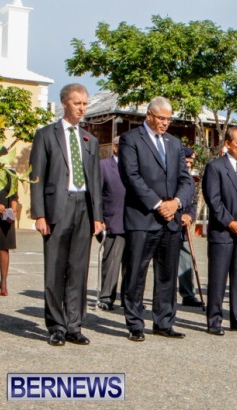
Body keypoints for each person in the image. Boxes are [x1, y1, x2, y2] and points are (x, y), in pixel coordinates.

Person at [29, 83, 102, 346]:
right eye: (77, 103)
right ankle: (56, 326)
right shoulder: (46, 135)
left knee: (78, 269)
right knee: (55, 269)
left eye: (85, 103)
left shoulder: (89, 140)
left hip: (84, 207)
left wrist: (98, 216)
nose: (82, 108)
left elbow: (95, 179)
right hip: (57, 207)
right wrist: (39, 213)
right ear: (64, 103)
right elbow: (36, 176)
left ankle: (74, 324)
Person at [119, 96, 192, 342]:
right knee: (136, 273)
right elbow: (131, 176)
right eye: (161, 118)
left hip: (170, 219)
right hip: (142, 217)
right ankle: (135, 323)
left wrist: (176, 203)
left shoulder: (174, 143)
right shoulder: (131, 140)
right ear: (149, 115)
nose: (165, 123)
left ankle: (163, 321)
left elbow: (186, 179)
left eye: (168, 119)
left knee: (167, 274)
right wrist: (158, 204)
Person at [202, 126, 237, 335]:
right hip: (223, 232)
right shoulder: (215, 167)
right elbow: (214, 201)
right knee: (218, 278)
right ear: (227, 143)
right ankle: (214, 320)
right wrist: (230, 222)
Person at [97, 136, 125, 311]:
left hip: (134, 223)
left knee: (133, 266)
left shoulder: (135, 167)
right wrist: (99, 219)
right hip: (113, 221)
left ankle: (130, 300)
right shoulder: (104, 166)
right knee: (112, 262)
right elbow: (97, 195)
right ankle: (106, 297)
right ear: (115, 148)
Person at [178, 147, 204, 308]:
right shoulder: (170, 174)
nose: (188, 165)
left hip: (184, 226)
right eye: (186, 161)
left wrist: (190, 215)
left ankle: (188, 294)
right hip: (168, 223)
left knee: (186, 260)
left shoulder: (189, 178)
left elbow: (193, 201)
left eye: (191, 162)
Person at [0, 148, 18, 297]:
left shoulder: (11, 174)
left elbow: (14, 196)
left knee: (4, 249)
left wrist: (13, 211)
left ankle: (3, 282)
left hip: (5, 217)